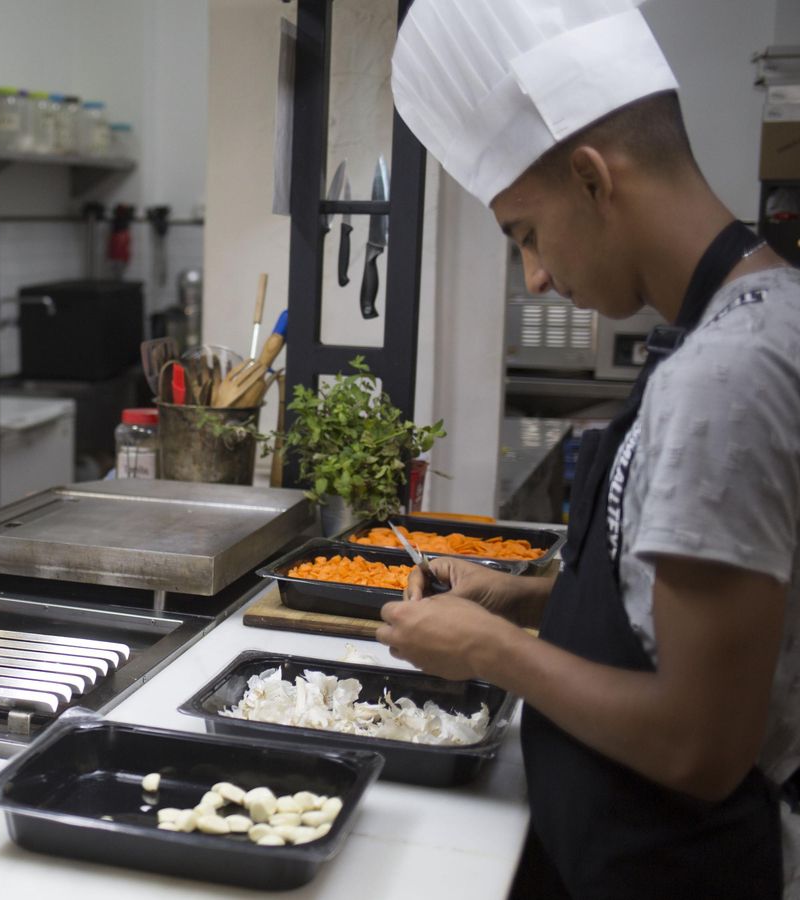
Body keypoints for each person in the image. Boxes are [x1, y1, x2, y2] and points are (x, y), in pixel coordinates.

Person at [380, 1, 800, 896]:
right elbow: (664, 624)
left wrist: (489, 653)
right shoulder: (742, 322)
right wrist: (523, 600)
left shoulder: (727, 375)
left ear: (591, 178)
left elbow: (700, 744)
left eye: (526, 233)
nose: (535, 274)